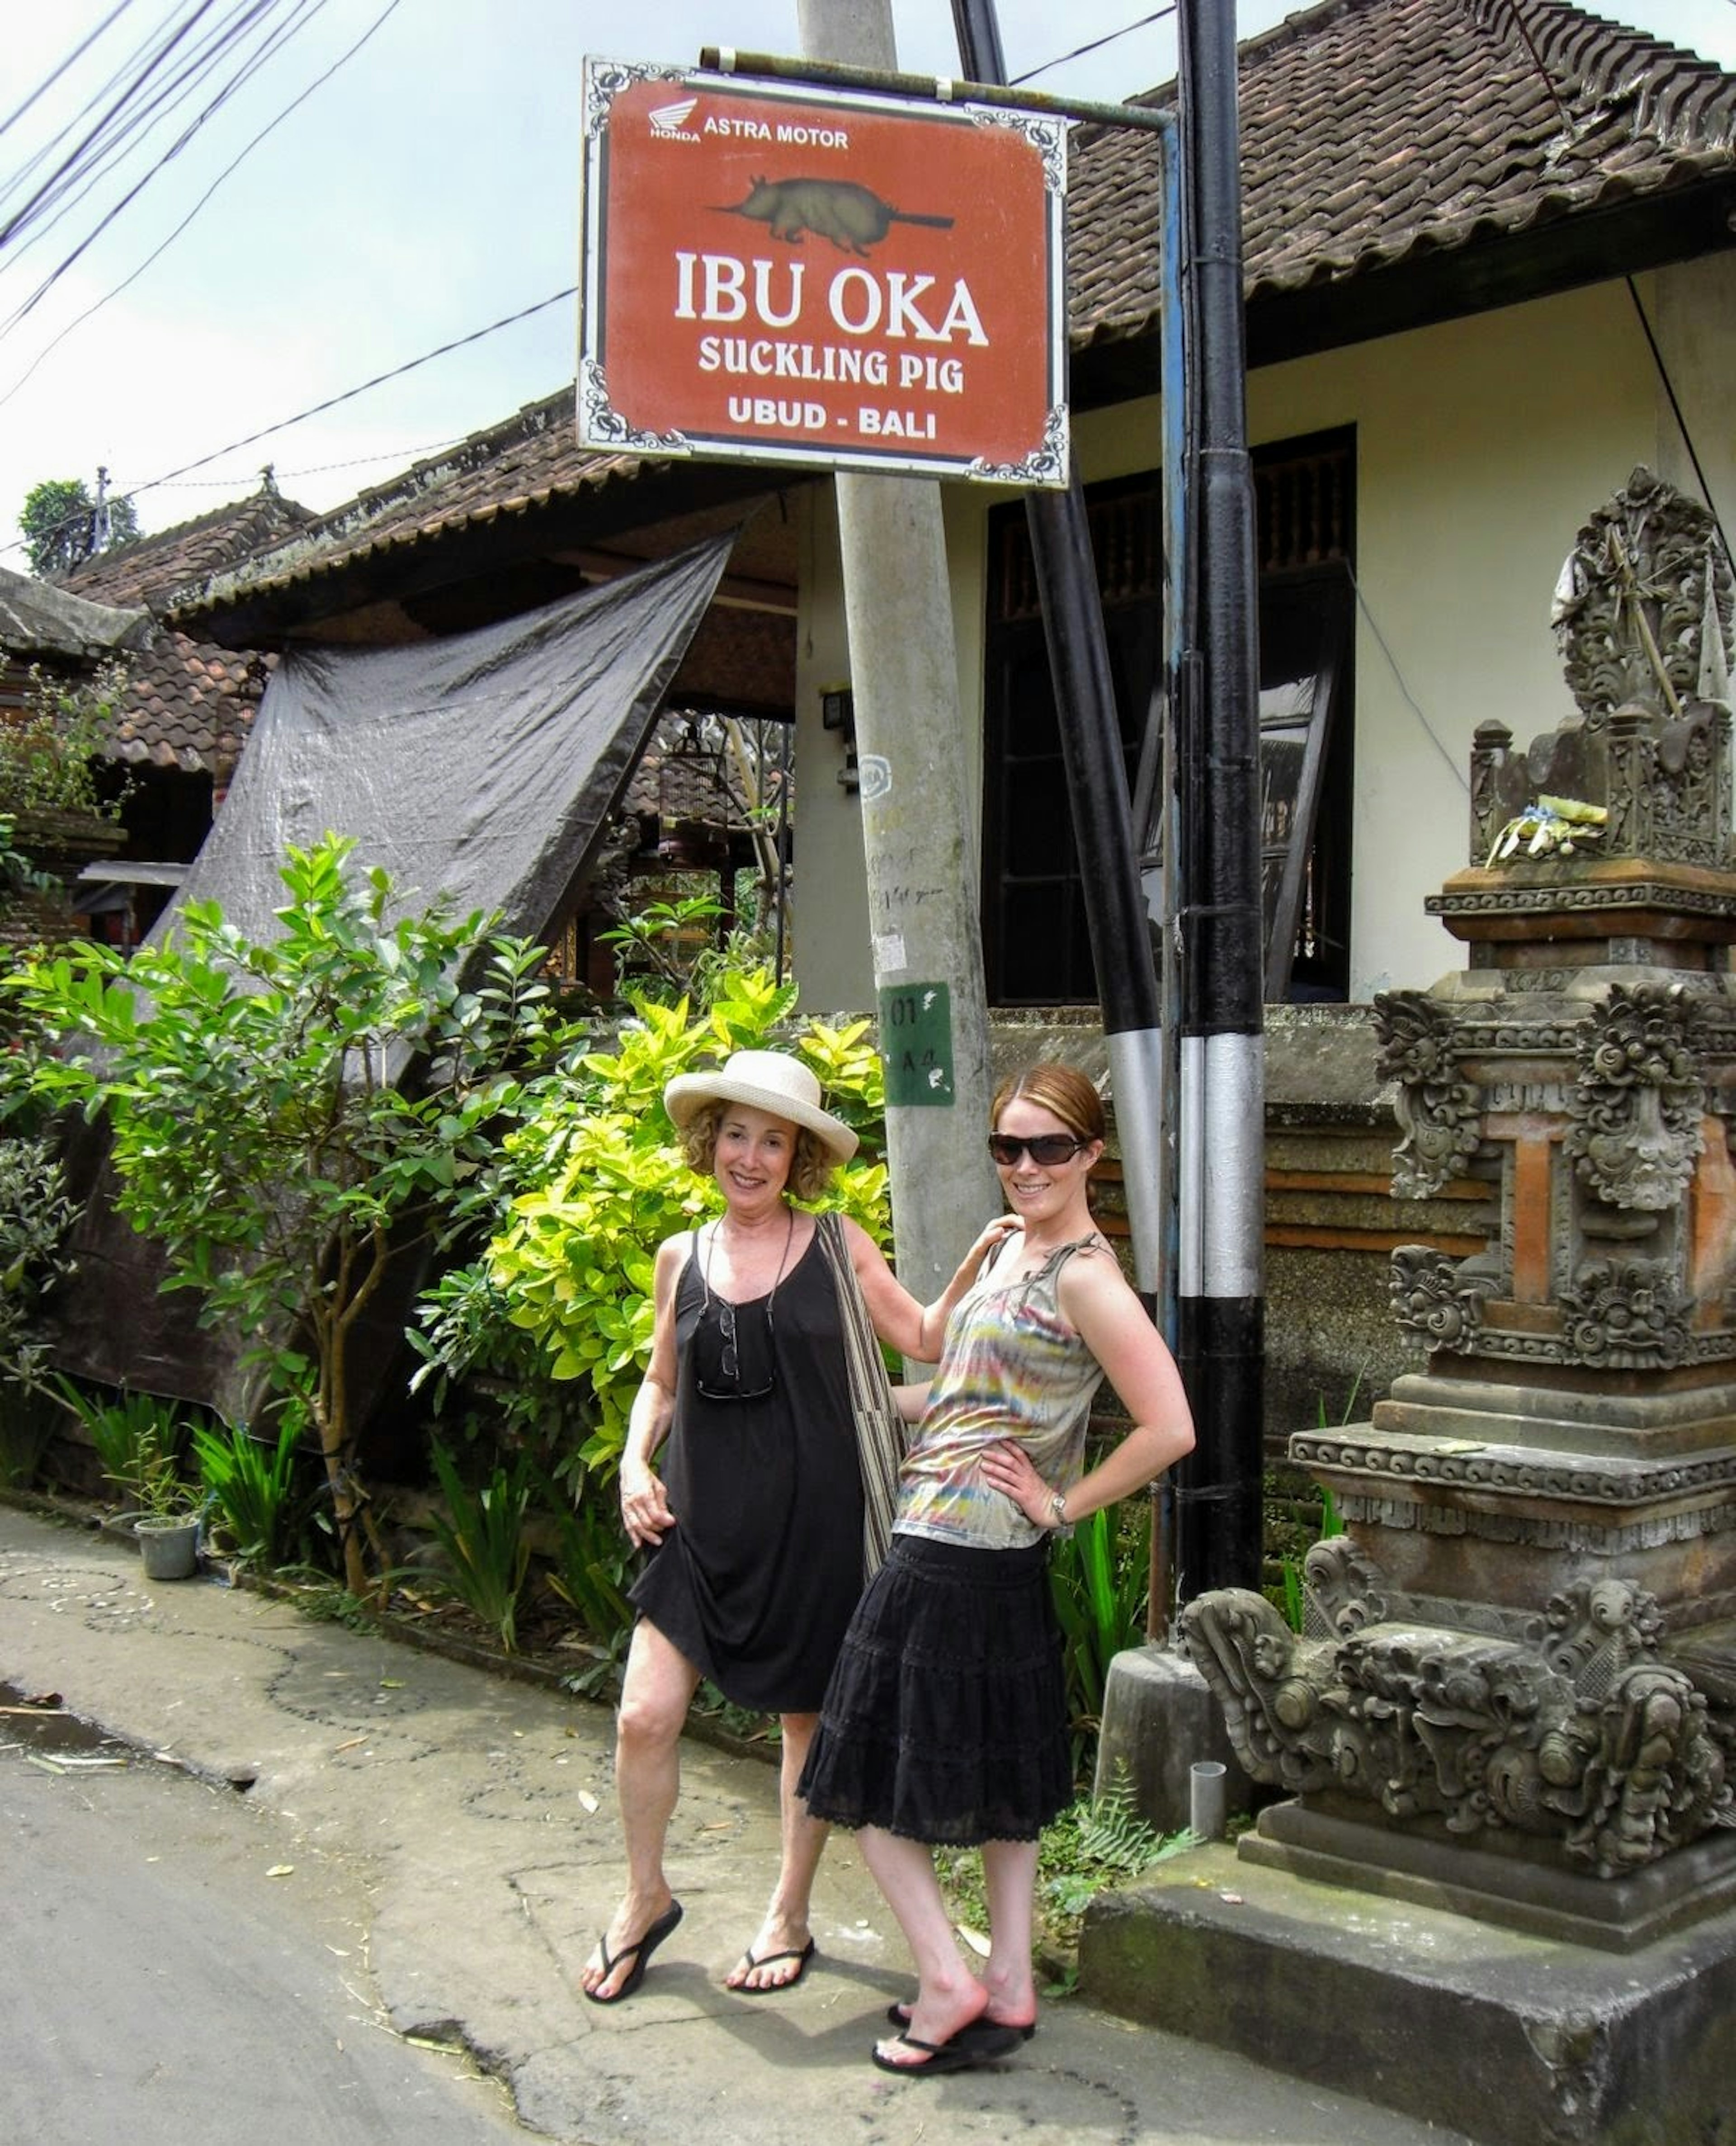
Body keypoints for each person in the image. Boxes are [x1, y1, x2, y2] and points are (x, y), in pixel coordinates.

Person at [580, 1048, 1017, 2005]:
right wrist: (629, 1463)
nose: (750, 1156)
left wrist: (984, 1267)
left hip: (818, 1529)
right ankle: (645, 1898)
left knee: (803, 1727)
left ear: (798, 1160)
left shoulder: (838, 1243)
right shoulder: (680, 1257)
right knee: (644, 1715)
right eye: (736, 1134)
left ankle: (788, 1913)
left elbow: (924, 1340)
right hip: (700, 1527)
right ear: (709, 1143)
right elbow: (660, 1381)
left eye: (772, 1141)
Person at [797, 1062, 1196, 2076]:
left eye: (1048, 1148)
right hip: (963, 1546)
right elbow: (964, 1396)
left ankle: (945, 1978)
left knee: (856, 1777)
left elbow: (1172, 1426)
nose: (1025, 1166)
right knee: (1001, 1790)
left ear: (1092, 1155)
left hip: (959, 1554)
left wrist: (1064, 1503)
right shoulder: (1014, 1248)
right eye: (1007, 1147)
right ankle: (1008, 1986)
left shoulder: (1085, 1278)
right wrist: (851, 1404)